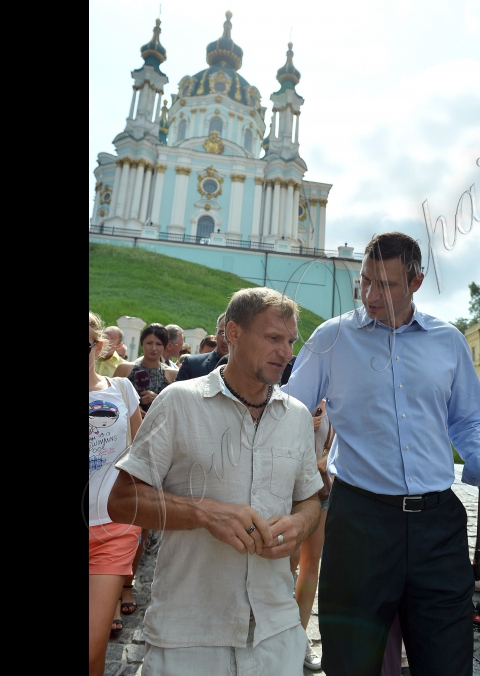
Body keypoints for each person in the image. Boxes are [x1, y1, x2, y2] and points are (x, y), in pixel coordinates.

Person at [283, 231, 480, 676]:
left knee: (446, 661)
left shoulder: (447, 341)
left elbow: (467, 421)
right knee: (352, 664)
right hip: (360, 525)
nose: (370, 295)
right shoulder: (332, 338)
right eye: (365, 282)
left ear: (416, 282)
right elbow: (288, 412)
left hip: (437, 527)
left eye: (385, 285)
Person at [107, 287, 324, 676]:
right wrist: (203, 513)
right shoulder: (178, 402)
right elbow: (122, 501)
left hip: (276, 635)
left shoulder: (296, 416)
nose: (286, 352)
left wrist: (299, 524)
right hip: (189, 634)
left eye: (290, 341)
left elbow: (310, 499)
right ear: (234, 333)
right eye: (273, 338)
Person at [89, 311, 142, 676]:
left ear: (97, 347)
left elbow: (144, 452)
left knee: (92, 645)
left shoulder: (122, 389)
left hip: (113, 526)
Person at [290, 398, 334, 671]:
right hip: (284, 492)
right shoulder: (289, 395)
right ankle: (275, 633)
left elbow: (342, 444)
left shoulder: (334, 404)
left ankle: (298, 637)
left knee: (310, 564)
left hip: (319, 491)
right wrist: (303, 423)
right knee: (285, 566)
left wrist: (326, 459)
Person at [113, 323, 177, 417]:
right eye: (149, 343)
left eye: (158, 344)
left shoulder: (173, 374)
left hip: (159, 427)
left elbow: (179, 407)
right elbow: (112, 398)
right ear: (142, 343)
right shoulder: (124, 369)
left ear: (165, 347)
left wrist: (159, 399)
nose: (153, 348)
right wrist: (131, 407)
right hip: (129, 426)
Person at [175, 313, 230, 381]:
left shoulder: (245, 369)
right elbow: (176, 391)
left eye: (231, 334)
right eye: (222, 333)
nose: (225, 340)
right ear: (216, 332)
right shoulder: (192, 364)